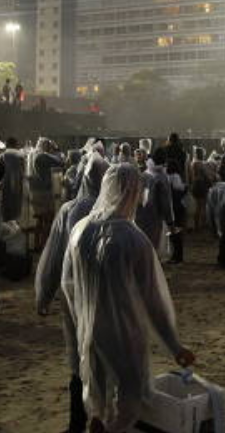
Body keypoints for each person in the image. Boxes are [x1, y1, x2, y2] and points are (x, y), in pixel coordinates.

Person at [61, 163, 195, 432]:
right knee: (129, 400)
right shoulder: (134, 240)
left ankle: (98, 423)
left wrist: (80, 320)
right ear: (134, 193)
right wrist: (175, 346)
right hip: (124, 332)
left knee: (98, 396)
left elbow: (68, 284)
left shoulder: (80, 231)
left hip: (89, 329)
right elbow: (153, 301)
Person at [37, 152, 110, 433]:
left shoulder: (70, 210)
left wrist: (44, 294)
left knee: (78, 358)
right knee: (105, 357)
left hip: (73, 293)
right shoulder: (115, 212)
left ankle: (77, 422)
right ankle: (103, 419)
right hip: (105, 297)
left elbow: (54, 256)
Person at [136, 149, 174, 257]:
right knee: (152, 247)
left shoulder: (145, 173)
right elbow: (165, 202)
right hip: (154, 216)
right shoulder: (161, 177)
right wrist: (170, 221)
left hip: (139, 214)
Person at [28, 138, 65, 251]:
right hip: (45, 192)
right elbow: (61, 161)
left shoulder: (32, 155)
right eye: (49, 146)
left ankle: (36, 245)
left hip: (34, 191)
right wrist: (57, 150)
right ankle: (44, 246)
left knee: (39, 220)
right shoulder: (43, 156)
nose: (50, 148)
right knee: (48, 220)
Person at [0, 138, 27, 226]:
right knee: (16, 215)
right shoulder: (21, 156)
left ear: (6, 145)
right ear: (15, 145)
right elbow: (25, 173)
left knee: (5, 215)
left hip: (4, 189)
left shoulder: (1, 157)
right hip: (18, 189)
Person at [188, 146, 217, 231]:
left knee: (198, 206)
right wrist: (211, 182)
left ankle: (196, 225)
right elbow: (206, 175)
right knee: (203, 206)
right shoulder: (201, 164)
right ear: (202, 154)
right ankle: (202, 225)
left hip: (195, 185)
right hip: (201, 186)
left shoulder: (193, 163)